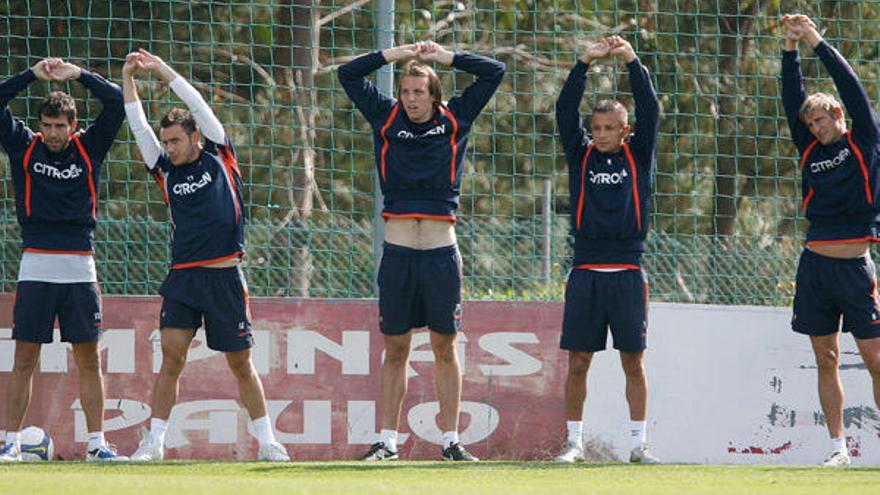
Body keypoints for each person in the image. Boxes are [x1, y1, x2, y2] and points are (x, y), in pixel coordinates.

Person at [338, 41, 504, 461]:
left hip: (439, 254)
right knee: (396, 349)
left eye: (419, 92)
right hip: (397, 255)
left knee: (445, 346)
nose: (411, 99)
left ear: (433, 94)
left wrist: (445, 57)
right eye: (406, 91)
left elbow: (494, 71)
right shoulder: (385, 115)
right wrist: (393, 55)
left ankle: (451, 441)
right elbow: (348, 74)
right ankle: (388, 443)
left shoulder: (456, 117)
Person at [121, 49, 288, 462]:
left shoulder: (220, 155)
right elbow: (138, 126)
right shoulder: (164, 170)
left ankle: (268, 441)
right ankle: (154, 443)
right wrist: (129, 80)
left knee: (240, 364)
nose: (170, 147)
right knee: (172, 359)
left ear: (196, 137)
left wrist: (162, 70)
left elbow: (197, 103)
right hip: (184, 279)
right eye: (166, 142)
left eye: (176, 140)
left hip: (225, 277)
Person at [0, 58, 126, 462]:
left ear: (73, 125)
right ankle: (10, 443)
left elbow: (119, 103)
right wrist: (31, 75)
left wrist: (79, 75)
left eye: (61, 126)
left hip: (80, 266)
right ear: (41, 125)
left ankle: (96, 445)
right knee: (24, 359)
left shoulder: (90, 147)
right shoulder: (23, 145)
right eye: (49, 126)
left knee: (88, 359)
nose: (54, 134)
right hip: (35, 264)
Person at [553, 36, 661, 464]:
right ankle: (574, 444)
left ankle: (639, 445)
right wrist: (583, 62)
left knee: (632, 361)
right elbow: (564, 110)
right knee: (579, 360)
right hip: (585, 270)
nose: (600, 135)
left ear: (625, 130)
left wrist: (632, 60)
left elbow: (651, 106)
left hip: (628, 271)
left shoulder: (639, 154)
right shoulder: (581, 156)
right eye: (595, 129)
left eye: (609, 128)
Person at [781, 14, 880, 466]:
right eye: (811, 123)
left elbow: (851, 83)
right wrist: (788, 48)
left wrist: (815, 39)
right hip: (815, 266)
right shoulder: (808, 148)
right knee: (826, 358)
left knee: (875, 358)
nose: (817, 128)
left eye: (821, 120)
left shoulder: (863, 139)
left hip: (855, 265)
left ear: (837, 115)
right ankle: (838, 449)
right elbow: (790, 97)